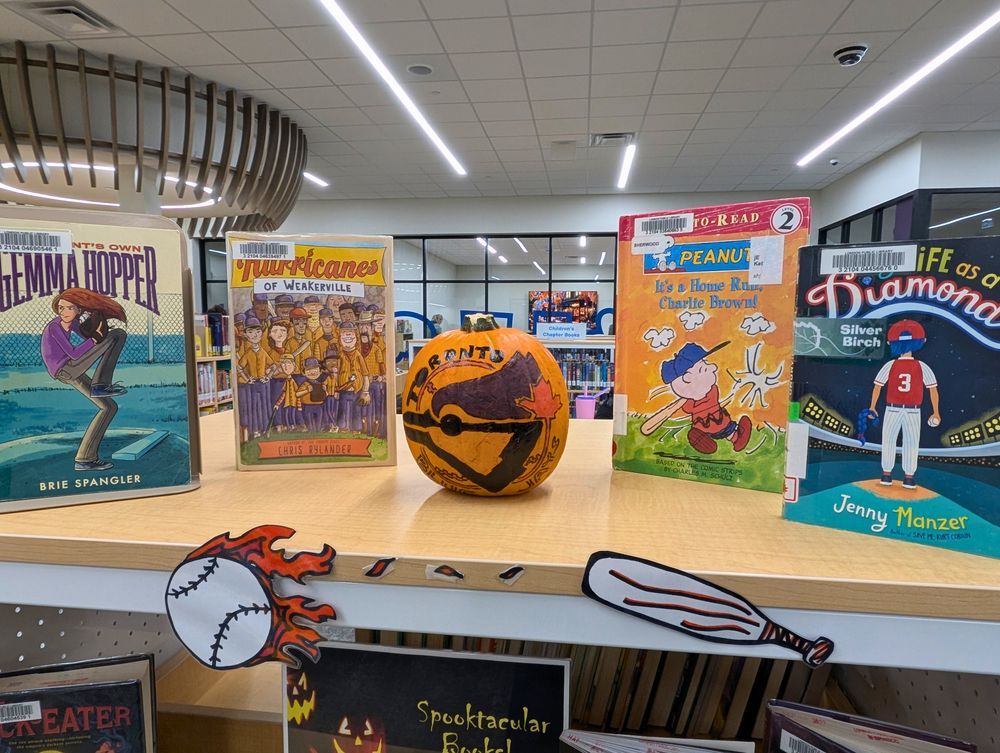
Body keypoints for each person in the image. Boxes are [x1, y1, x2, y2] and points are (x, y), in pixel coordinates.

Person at [40, 287, 128, 471]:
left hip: (73, 370)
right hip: (66, 369)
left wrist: (98, 328)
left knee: (109, 407)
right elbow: (74, 353)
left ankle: (85, 459)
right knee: (117, 335)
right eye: (61, 308)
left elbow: (88, 338)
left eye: (70, 308)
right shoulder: (54, 327)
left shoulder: (72, 323)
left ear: (78, 310)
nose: (64, 312)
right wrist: (96, 340)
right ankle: (101, 384)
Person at [867, 319, 941, 490]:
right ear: (920, 342)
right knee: (910, 442)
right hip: (909, 410)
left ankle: (888, 474)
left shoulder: (890, 364)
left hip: (896, 409)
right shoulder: (921, 366)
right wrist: (935, 411)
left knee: (891, 440)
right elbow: (933, 390)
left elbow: (877, 387)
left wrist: (872, 406)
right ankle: (907, 477)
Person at [658, 341, 751, 454]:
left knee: (717, 429)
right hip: (721, 422)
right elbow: (710, 393)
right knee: (728, 430)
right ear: (688, 378)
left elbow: (687, 408)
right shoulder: (712, 391)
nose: (713, 367)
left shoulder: (695, 400)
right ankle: (735, 438)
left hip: (703, 427)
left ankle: (702, 437)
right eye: (704, 369)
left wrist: (690, 397)